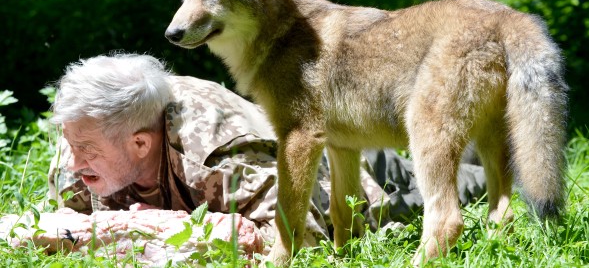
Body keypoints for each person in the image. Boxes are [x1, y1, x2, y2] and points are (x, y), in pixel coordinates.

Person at [48, 53, 486, 250]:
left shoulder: (221, 156)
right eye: (69, 144)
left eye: (84, 150)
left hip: (348, 174)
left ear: (141, 143)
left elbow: (301, 240)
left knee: (462, 179)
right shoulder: (83, 147)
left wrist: (154, 228)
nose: (72, 163)